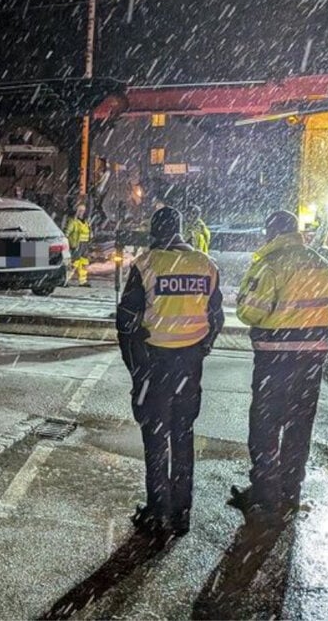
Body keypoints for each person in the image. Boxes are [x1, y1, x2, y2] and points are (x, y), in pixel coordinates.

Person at [116, 206, 224, 538]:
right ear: (181, 230)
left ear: (154, 231)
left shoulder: (147, 264)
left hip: (156, 364)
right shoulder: (206, 265)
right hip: (190, 365)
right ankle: (181, 512)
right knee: (183, 434)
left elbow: (126, 322)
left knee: (155, 437)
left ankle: (157, 510)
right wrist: (201, 349)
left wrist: (136, 369)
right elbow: (216, 318)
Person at [230, 210, 328, 527]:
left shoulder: (270, 264)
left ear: (271, 232)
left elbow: (250, 312)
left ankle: (264, 495)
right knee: (299, 425)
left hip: (276, 358)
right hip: (312, 357)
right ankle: (291, 490)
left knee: (265, 425)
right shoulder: (321, 264)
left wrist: (243, 297)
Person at [65, 204, 92, 287]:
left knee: (84, 263)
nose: (81, 212)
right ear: (76, 211)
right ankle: (65, 280)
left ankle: (83, 281)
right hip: (77, 245)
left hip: (85, 245)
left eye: (83, 211)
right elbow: (67, 232)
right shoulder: (73, 221)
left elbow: (89, 233)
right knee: (74, 263)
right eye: (80, 210)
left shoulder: (86, 222)